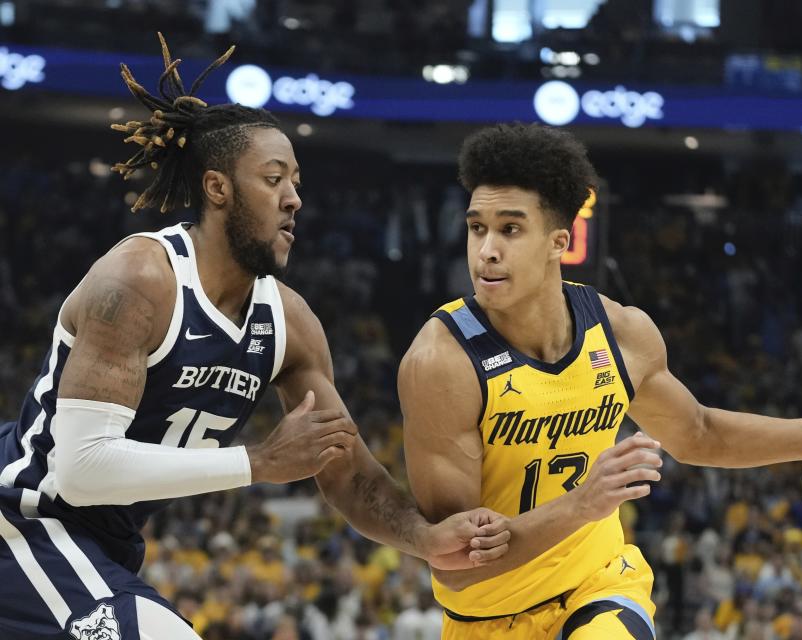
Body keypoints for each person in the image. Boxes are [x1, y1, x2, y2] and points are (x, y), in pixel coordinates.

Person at [0, 36, 509, 640]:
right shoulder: (140, 280)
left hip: (105, 545)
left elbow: (342, 467)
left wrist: (421, 538)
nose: (294, 198)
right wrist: (259, 463)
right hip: (24, 520)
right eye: (273, 180)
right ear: (218, 189)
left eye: (296, 181)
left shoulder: (289, 324)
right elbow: (81, 469)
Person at [397, 123, 802, 639]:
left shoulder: (621, 334)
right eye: (477, 228)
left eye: (510, 228)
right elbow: (461, 562)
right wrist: (582, 506)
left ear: (559, 242)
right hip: (488, 615)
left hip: (600, 585)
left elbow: (700, 434)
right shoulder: (441, 362)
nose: (486, 249)